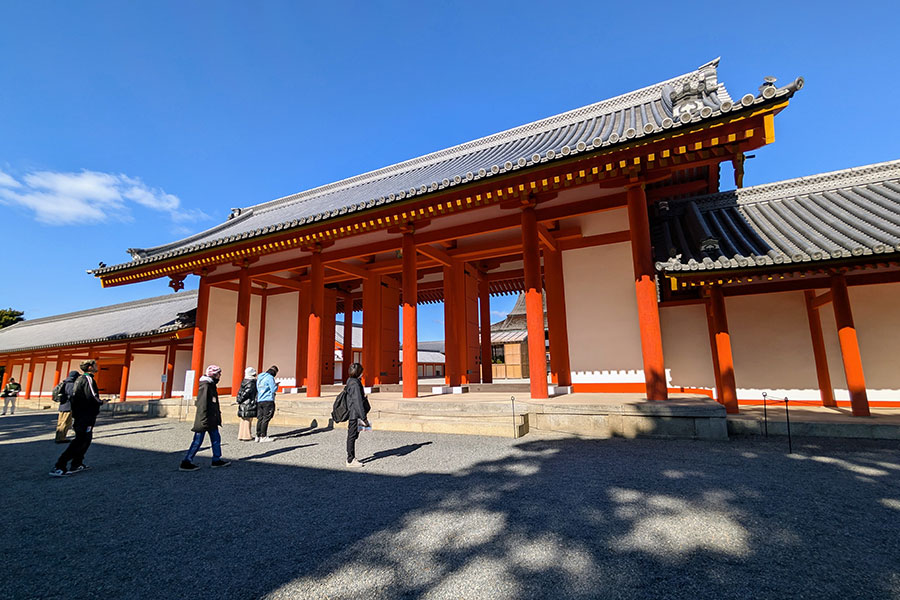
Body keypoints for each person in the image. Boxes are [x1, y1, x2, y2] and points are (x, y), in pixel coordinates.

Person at [50, 361, 103, 476]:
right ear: (90, 367)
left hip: (81, 414)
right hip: (85, 415)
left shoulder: (78, 380)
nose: (97, 367)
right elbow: (92, 395)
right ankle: (60, 465)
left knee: (86, 439)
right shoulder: (87, 379)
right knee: (79, 440)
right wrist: (100, 402)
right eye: (95, 365)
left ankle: (77, 463)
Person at [179, 365, 230, 471]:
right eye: (218, 374)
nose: (219, 376)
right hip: (205, 418)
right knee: (197, 441)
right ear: (214, 375)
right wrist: (203, 419)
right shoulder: (206, 386)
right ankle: (187, 461)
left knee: (216, 439)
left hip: (211, 418)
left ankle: (216, 459)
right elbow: (202, 404)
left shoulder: (210, 385)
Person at [344, 362, 371, 468]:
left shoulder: (350, 381)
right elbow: (357, 401)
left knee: (353, 435)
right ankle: (350, 459)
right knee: (352, 435)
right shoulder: (355, 384)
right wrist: (364, 417)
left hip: (353, 412)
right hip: (354, 414)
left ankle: (351, 458)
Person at [54, 370, 80, 443]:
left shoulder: (64, 383)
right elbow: (72, 394)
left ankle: (59, 436)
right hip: (68, 405)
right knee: (65, 422)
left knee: (61, 422)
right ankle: (61, 438)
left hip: (62, 405)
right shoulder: (71, 384)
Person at [256, 365, 278, 442]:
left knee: (260, 418)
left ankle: (258, 435)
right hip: (268, 399)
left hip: (260, 399)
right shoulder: (270, 378)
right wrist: (276, 385)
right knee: (266, 418)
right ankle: (263, 436)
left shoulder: (260, 377)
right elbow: (273, 389)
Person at [236, 367, 258, 441]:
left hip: (243, 404)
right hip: (248, 403)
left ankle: (241, 435)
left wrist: (239, 399)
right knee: (248, 420)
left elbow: (240, 392)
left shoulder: (244, 381)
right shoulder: (252, 382)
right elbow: (247, 392)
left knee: (243, 420)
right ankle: (246, 435)